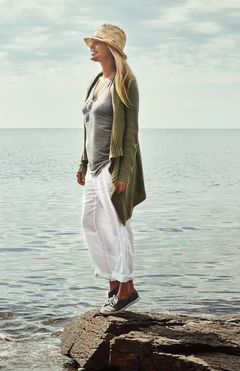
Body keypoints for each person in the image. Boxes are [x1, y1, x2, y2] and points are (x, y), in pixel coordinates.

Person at [76, 23, 146, 314]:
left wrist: (124, 172)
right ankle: (113, 282)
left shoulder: (125, 80)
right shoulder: (96, 81)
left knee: (119, 227)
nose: (92, 46)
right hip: (93, 168)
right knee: (91, 224)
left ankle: (126, 288)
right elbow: (89, 126)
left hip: (112, 166)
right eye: (92, 42)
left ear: (112, 49)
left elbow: (130, 131)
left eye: (98, 43)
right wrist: (82, 162)